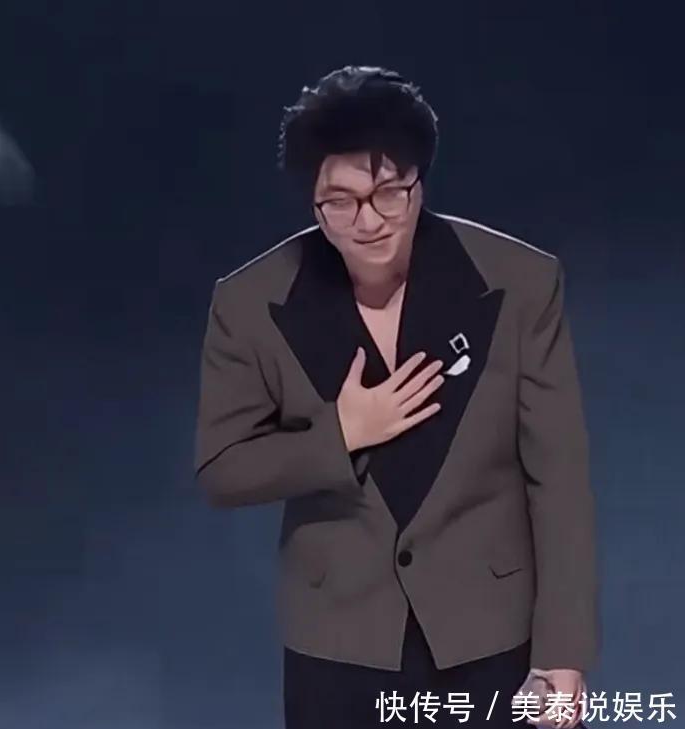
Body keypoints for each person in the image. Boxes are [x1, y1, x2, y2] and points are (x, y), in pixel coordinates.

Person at [194, 66, 597, 728]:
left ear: (419, 181)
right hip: (338, 644)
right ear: (312, 201)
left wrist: (563, 656)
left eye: (388, 193)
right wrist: (341, 434)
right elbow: (221, 469)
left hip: (492, 637)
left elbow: (560, 480)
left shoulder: (522, 283)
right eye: (341, 201)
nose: (369, 221)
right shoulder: (249, 303)